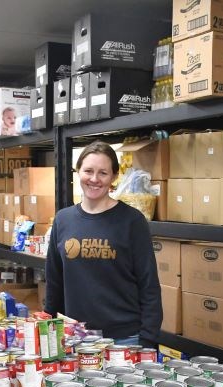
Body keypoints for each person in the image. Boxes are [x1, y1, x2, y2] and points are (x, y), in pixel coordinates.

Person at [45, 141, 162, 347]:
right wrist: (49, 333)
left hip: (125, 339)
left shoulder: (132, 221)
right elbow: (54, 282)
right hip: (76, 338)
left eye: (103, 173)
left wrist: (149, 340)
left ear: (114, 177)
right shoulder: (63, 220)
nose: (94, 179)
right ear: (78, 171)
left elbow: (149, 286)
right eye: (88, 171)